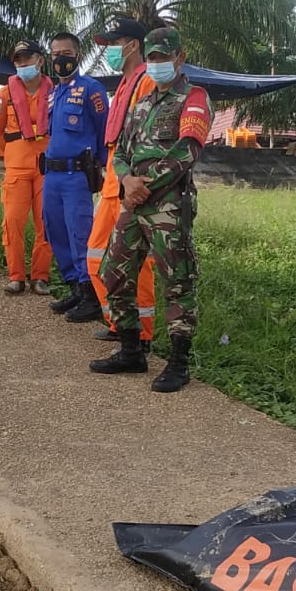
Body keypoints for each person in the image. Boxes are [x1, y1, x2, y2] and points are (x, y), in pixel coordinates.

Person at [92, 27, 212, 392]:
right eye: (152, 58)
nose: (157, 64)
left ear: (180, 57)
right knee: (113, 272)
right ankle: (131, 350)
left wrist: (144, 187)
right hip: (134, 201)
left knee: (177, 282)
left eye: (164, 57)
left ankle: (178, 362)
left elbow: (187, 150)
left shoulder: (194, 97)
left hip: (169, 206)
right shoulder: (142, 103)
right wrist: (127, 181)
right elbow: (123, 151)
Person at [82, 15, 158, 339]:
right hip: (113, 184)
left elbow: (149, 138)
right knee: (97, 256)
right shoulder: (124, 84)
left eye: (114, 43)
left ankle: (139, 335)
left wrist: (133, 182)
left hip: (132, 186)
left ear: (132, 45)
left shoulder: (147, 82)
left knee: (137, 265)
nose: (110, 49)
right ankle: (119, 322)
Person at [40, 31, 109, 318]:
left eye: (66, 54)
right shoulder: (53, 93)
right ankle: (74, 289)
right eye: (55, 54)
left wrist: (106, 172)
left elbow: (105, 132)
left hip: (77, 176)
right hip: (52, 176)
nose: (60, 59)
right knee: (56, 232)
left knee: (80, 234)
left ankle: (91, 296)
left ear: (78, 57)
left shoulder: (92, 89)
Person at [0, 39, 53, 295]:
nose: (23, 64)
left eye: (27, 58)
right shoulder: (4, 94)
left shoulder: (55, 92)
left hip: (47, 166)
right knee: (12, 222)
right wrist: (14, 154)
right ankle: (16, 276)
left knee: (45, 223)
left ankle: (40, 276)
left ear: (40, 60)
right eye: (18, 60)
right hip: (16, 168)